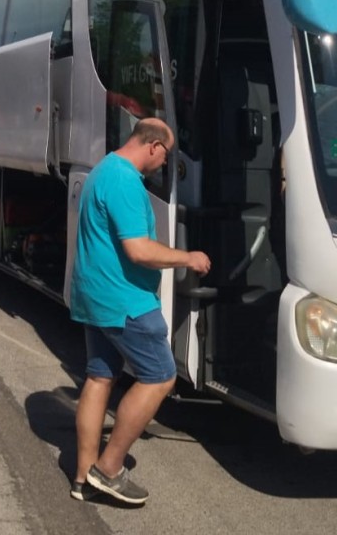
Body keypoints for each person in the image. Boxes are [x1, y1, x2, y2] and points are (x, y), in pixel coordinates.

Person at [70, 118, 211, 505]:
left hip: (95, 297)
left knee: (99, 379)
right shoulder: (126, 182)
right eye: (166, 156)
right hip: (125, 301)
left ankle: (84, 477)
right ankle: (109, 468)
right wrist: (188, 257)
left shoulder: (102, 170)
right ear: (153, 146)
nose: (164, 165)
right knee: (161, 376)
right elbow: (138, 250)